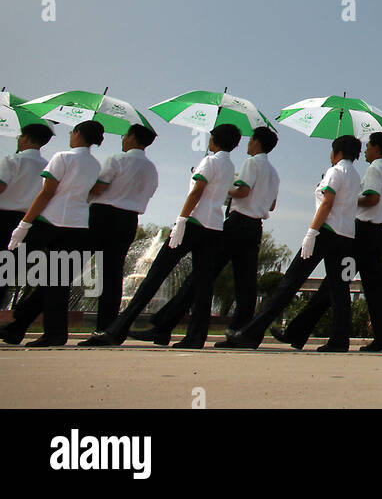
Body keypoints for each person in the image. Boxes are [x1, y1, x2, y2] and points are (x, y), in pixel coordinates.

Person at [84, 123, 240, 349]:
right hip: (214, 227)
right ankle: (195, 337)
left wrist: (181, 220)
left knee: (154, 277)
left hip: (194, 223)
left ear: (214, 139)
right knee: (203, 285)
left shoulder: (210, 161)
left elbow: (197, 191)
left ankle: (117, 330)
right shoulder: (229, 165)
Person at [137, 126, 280, 345]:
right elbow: (271, 204)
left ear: (258, 142)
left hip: (237, 224)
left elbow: (242, 191)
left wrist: (222, 189)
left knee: (201, 277)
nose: (248, 144)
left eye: (251, 140)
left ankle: (164, 324)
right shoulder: (274, 172)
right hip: (255, 227)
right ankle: (241, 332)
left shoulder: (252, 163)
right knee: (246, 283)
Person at [228, 135, 362, 351]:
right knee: (339, 290)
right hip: (346, 236)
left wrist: (311, 232)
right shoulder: (355, 175)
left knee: (290, 282)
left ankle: (251, 333)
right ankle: (339, 340)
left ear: (336, 152)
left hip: (325, 232)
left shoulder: (335, 171)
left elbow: (327, 203)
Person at [277, 131, 382, 352]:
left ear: (377, 148)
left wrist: (347, 199)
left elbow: (372, 199)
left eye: (369, 146)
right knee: (371, 288)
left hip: (362, 233)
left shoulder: (374, 170)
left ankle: (308, 334)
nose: (366, 150)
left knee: (335, 284)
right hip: (376, 233)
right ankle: (381, 337)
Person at [1, 121, 104, 347]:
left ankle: (41, 328)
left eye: (71, 131)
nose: (70, 135)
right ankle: (25, 328)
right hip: (78, 225)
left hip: (51, 222)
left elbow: (46, 193)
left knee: (11, 269)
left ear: (78, 134)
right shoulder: (95, 164)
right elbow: (93, 191)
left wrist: (24, 224)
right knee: (56, 281)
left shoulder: (63, 157)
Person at [84, 123, 160, 332]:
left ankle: (36, 313)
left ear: (134, 138)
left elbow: (100, 186)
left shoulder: (117, 159)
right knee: (113, 274)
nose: (123, 138)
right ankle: (106, 327)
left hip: (103, 215)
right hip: (128, 220)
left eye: (126, 135)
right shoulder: (151, 168)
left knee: (72, 262)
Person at [0, 123, 55, 310]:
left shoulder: (12, 160)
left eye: (20, 136)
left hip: (3, 217)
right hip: (29, 222)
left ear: (27, 138)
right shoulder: (48, 167)